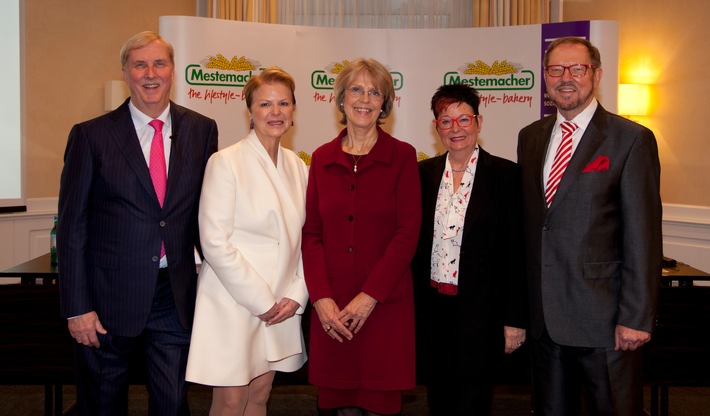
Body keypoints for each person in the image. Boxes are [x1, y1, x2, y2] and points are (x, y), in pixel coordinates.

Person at [57, 31, 218, 415]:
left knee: (171, 404)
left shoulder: (201, 129)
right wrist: (77, 307)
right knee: (102, 404)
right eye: (139, 64)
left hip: (172, 295)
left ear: (173, 71)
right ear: (125, 73)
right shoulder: (91, 135)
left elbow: (206, 214)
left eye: (159, 63)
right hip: (106, 299)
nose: (150, 73)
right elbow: (71, 227)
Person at [517, 36, 662, 415]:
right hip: (544, 323)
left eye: (576, 68)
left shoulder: (631, 140)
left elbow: (643, 236)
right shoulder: (530, 137)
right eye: (555, 69)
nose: (566, 78)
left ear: (595, 75)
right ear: (545, 78)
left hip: (606, 323)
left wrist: (636, 317)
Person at [302, 58, 422, 416]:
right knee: (337, 408)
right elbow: (311, 235)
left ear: (385, 104)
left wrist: (370, 297)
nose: (365, 99)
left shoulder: (402, 156)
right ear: (340, 99)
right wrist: (321, 299)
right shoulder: (321, 158)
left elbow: (407, 232)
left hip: (385, 310)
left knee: (380, 407)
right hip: (333, 314)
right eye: (356, 89)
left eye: (375, 92)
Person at [185, 67, 309, 416]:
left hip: (281, 304)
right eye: (265, 103)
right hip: (234, 301)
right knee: (230, 400)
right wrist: (262, 300)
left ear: (294, 110)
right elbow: (213, 242)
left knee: (260, 394)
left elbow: (307, 238)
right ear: (250, 111)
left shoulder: (298, 166)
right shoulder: (225, 162)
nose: (275, 112)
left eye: (284, 103)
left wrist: (295, 294)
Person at [413, 83, 527, 415]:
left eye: (463, 119)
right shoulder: (423, 175)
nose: (455, 129)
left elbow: (516, 253)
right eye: (445, 121)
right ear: (436, 128)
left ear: (478, 122)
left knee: (473, 401)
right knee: (438, 398)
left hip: (481, 313)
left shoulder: (505, 176)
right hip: (433, 310)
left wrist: (515, 320)